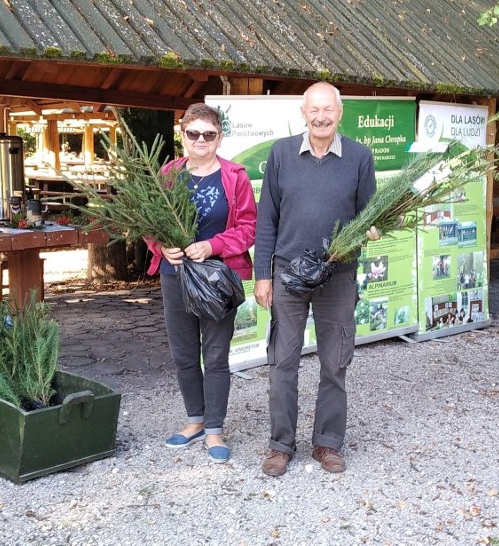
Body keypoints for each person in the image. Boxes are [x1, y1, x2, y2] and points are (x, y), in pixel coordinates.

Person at [254, 82, 378, 477]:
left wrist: (371, 231)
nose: (321, 116)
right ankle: (280, 445)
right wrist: (262, 275)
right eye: (314, 110)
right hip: (288, 275)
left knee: (334, 363)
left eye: (329, 109)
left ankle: (327, 442)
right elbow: (266, 219)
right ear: (303, 113)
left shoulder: (359, 157)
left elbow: (367, 217)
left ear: (340, 113)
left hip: (338, 276)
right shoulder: (281, 154)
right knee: (282, 362)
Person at [145, 103, 257, 464]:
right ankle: (195, 420)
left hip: (217, 279)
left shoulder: (235, 176)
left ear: (219, 137)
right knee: (183, 353)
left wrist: (213, 245)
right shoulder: (168, 174)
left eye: (209, 134)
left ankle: (214, 429)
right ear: (183, 135)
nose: (201, 140)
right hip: (174, 275)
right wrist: (161, 245)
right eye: (193, 133)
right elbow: (148, 222)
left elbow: (248, 228)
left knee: (215, 355)